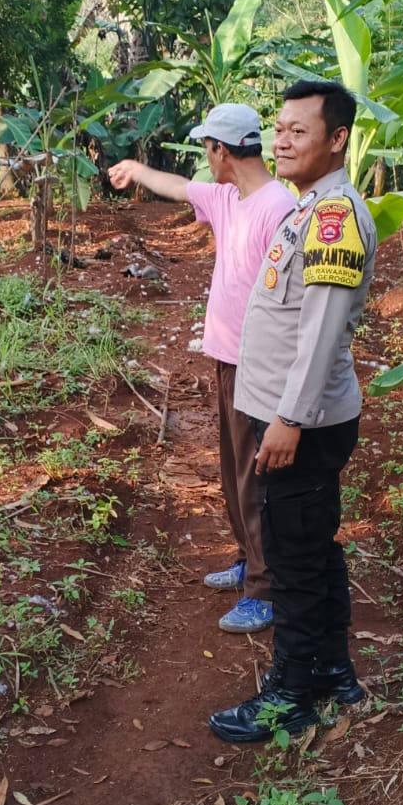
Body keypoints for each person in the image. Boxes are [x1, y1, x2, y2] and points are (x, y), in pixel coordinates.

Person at [208, 80, 377, 743]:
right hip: (291, 414)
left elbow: (322, 330)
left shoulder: (335, 218)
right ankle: (332, 671)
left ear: (337, 139)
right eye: (278, 128)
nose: (280, 141)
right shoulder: (309, 209)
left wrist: (289, 420)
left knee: (293, 560)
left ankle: (290, 695)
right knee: (313, 549)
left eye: (298, 131)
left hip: (299, 422)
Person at [109, 104, 294, 631]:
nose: (204, 159)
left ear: (221, 150)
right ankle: (248, 558)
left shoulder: (278, 208)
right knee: (234, 469)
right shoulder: (227, 196)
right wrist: (135, 170)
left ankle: (265, 586)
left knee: (255, 477)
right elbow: (176, 187)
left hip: (258, 364)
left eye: (206, 149)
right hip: (227, 359)